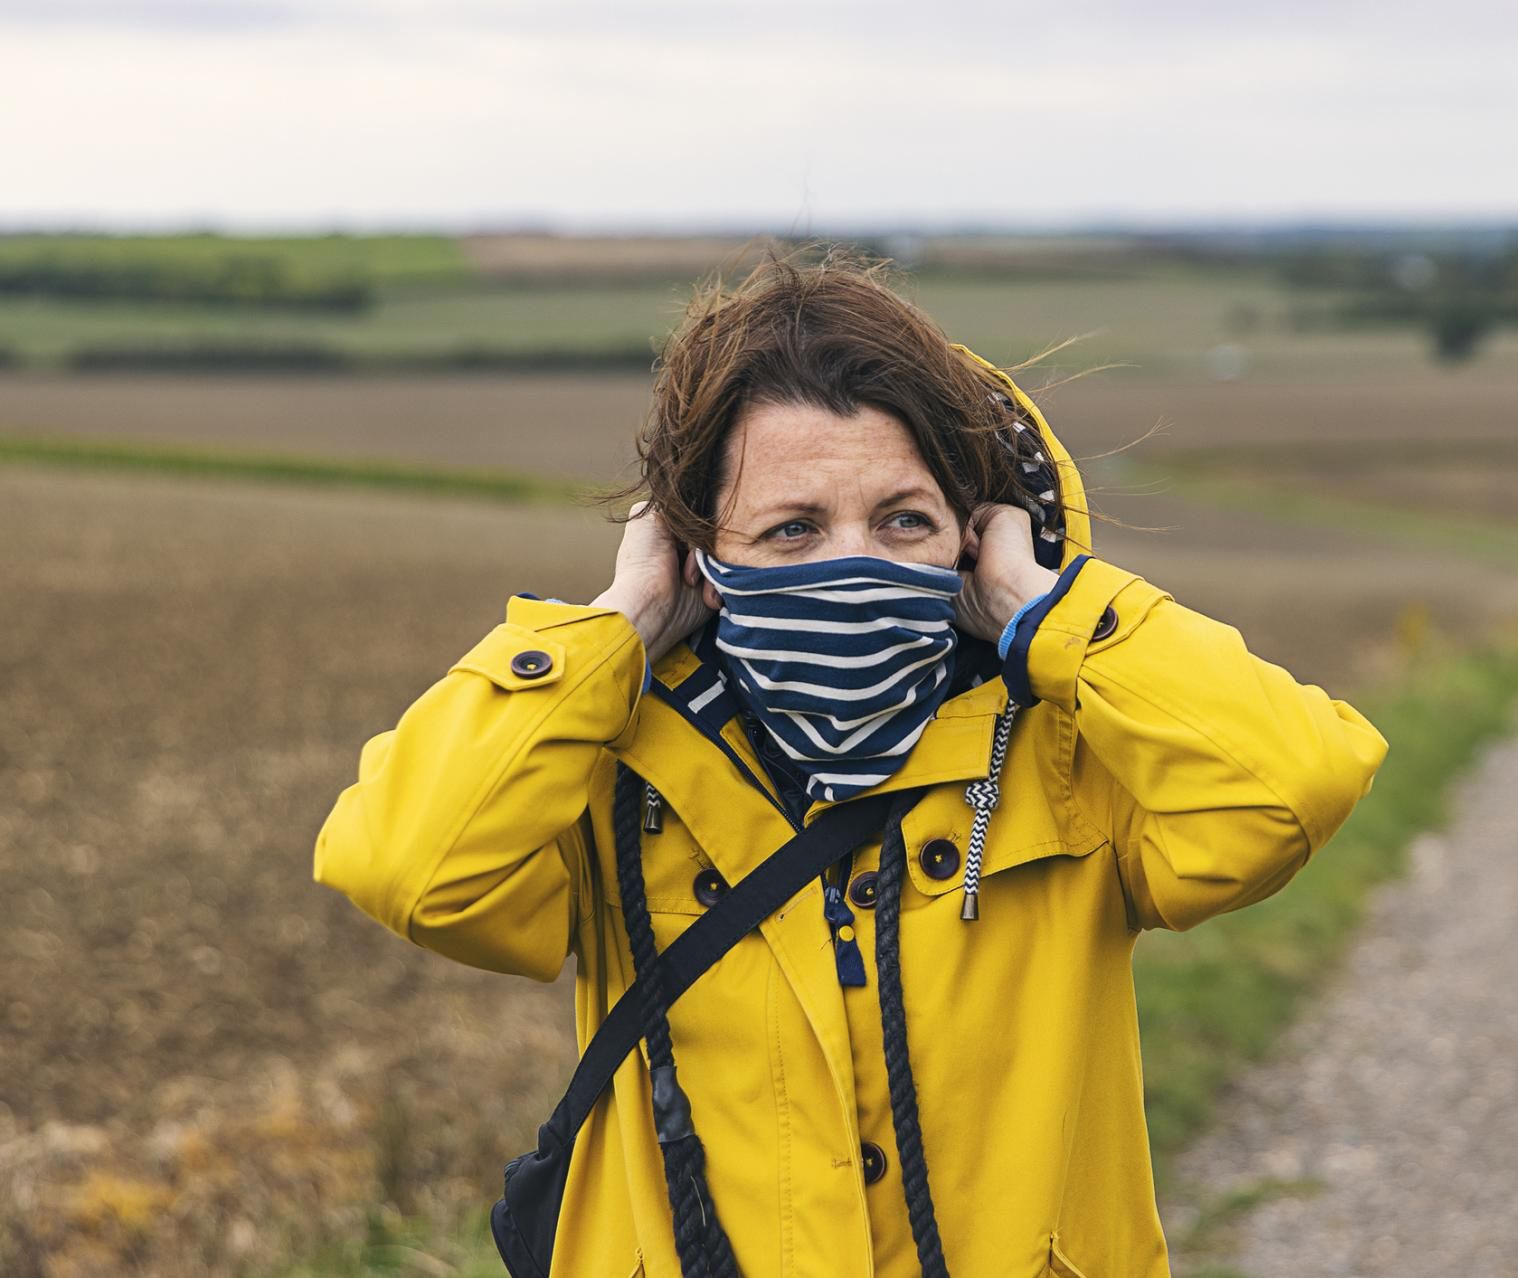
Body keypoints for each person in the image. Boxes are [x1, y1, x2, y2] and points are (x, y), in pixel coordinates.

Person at [313, 247, 1390, 1278]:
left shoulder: (1065, 760)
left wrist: (1045, 612)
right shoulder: (617, 776)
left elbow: (1290, 784)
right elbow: (411, 867)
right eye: (792, 530)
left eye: (902, 520)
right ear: (702, 559)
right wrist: (617, 626)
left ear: (973, 537)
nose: (854, 570)